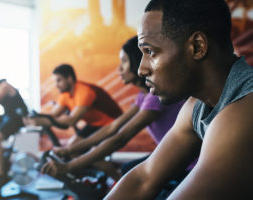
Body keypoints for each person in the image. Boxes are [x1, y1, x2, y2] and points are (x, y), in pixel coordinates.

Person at [104, 0, 253, 199]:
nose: (141, 69)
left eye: (150, 51)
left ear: (197, 46)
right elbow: (144, 179)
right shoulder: (197, 106)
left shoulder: (243, 111)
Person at [40, 36, 185, 186]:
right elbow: (114, 127)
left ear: (138, 62)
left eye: (124, 62)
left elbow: (120, 137)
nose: (119, 69)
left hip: (186, 163)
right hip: (173, 156)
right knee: (127, 170)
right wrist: (69, 150)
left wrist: (68, 166)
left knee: (130, 176)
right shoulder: (143, 96)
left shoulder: (154, 97)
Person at [24, 64, 122, 146]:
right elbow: (53, 115)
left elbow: (72, 120)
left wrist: (45, 121)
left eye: (59, 80)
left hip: (113, 124)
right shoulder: (65, 94)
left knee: (89, 153)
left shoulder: (84, 91)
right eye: (55, 81)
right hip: (94, 125)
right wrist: (36, 117)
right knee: (71, 147)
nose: (56, 85)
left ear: (69, 79)